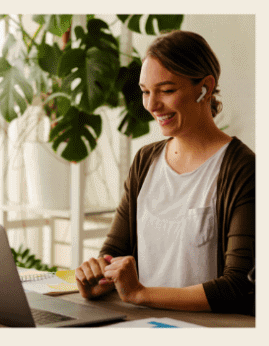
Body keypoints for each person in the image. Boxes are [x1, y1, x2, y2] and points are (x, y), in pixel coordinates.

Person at [74, 30, 254, 315]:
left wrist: (140, 293)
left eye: (167, 90)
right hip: (140, 322)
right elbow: (114, 253)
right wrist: (100, 276)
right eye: (146, 91)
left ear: (205, 88)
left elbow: (238, 286)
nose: (151, 105)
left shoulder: (242, 169)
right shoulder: (146, 160)